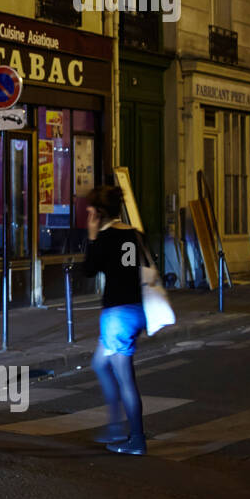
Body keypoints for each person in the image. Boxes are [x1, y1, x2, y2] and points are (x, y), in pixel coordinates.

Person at [81, 184, 147, 455]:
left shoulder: (105, 239)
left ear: (98, 213)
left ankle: (136, 438)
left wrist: (93, 237)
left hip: (116, 314)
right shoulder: (134, 234)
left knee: (125, 379)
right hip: (136, 310)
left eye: (89, 212)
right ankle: (116, 427)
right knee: (99, 363)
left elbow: (88, 270)